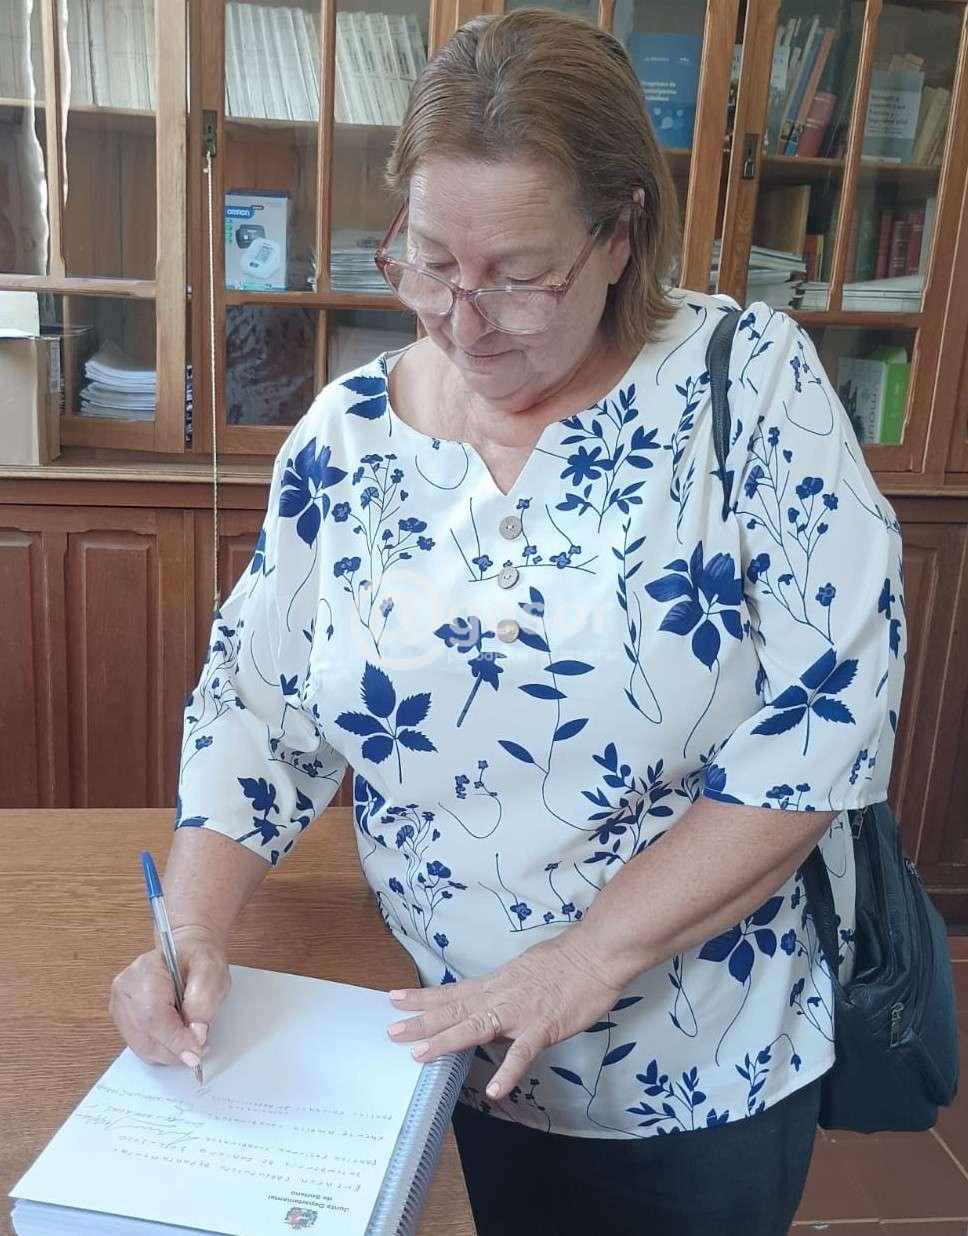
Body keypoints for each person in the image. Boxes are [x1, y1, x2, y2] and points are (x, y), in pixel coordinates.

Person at [110, 10, 907, 1234]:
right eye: (430, 263)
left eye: (520, 277)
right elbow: (256, 707)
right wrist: (192, 932)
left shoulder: (746, 386)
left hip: (686, 1061)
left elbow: (823, 724)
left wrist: (580, 961)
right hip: (419, 1036)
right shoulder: (347, 433)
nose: (464, 318)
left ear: (617, 236)